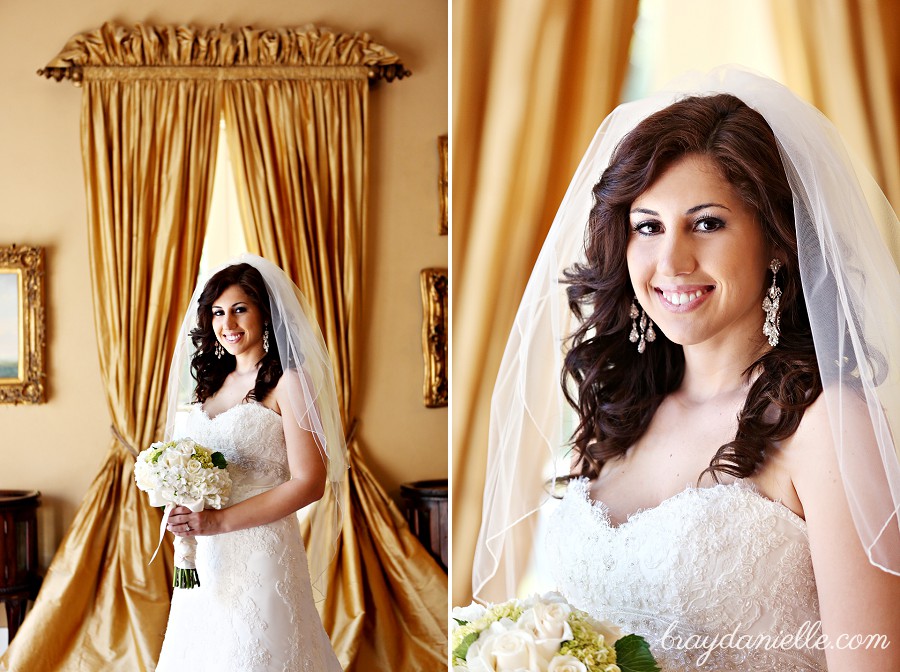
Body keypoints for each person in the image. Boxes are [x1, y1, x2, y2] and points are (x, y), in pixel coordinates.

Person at [472, 68, 900, 671]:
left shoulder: (828, 426)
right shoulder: (612, 416)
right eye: (647, 226)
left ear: (777, 241)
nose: (671, 260)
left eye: (707, 223)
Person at [155, 255, 346, 671]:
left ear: (265, 312)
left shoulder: (289, 382)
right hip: (206, 555)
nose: (228, 324)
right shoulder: (209, 384)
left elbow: (310, 482)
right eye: (218, 312)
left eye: (240, 308)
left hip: (262, 551)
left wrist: (220, 522)